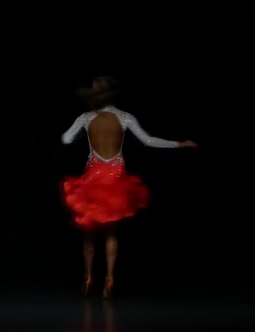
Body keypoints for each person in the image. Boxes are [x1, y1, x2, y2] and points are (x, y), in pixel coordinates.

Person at [60, 76, 198, 299]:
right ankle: (110, 277)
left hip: (93, 177)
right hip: (116, 178)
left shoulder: (86, 118)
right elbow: (148, 140)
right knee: (111, 233)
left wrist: (81, 127)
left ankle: (88, 276)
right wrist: (179, 144)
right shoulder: (124, 117)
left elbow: (66, 139)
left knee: (89, 234)